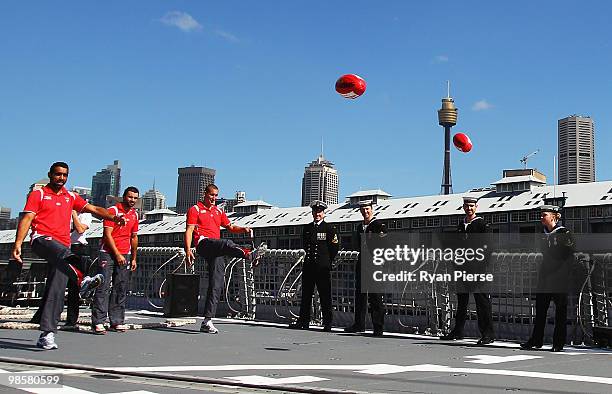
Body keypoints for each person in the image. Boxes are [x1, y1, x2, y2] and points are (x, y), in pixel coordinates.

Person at [11, 162, 125, 350]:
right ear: (50, 174)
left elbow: (95, 210)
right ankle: (84, 279)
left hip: (64, 250)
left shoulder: (70, 196)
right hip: (42, 240)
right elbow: (27, 218)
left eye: (64, 175)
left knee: (57, 288)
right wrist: (17, 243)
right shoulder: (38, 194)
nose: (61, 178)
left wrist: (114, 217)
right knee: (69, 256)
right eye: (57, 174)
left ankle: (47, 334)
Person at [185, 184, 266, 334]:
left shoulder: (218, 211)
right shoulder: (195, 209)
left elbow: (230, 227)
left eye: (216, 195)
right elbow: (189, 230)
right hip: (204, 243)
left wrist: (244, 229)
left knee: (216, 284)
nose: (214, 198)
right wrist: (188, 249)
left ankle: (207, 321)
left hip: (217, 250)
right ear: (205, 194)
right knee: (226, 243)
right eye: (211, 195)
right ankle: (249, 255)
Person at [440, 196, 495, 345]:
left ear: (476, 207)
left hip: (477, 269)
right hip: (462, 269)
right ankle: (458, 331)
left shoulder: (482, 225)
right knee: (462, 302)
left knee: (482, 303)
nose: (469, 208)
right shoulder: (461, 225)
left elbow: (488, 247)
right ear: (463, 207)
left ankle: (487, 334)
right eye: (466, 206)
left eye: (471, 206)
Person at [521, 205, 575, 352]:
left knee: (560, 312)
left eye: (544, 214)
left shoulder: (564, 233)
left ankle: (558, 343)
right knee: (540, 311)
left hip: (559, 278)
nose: (541, 217)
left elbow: (568, 254)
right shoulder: (543, 233)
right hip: (545, 277)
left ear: (553, 216)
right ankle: (536, 340)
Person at [31, 210, 93, 328]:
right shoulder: (62, 212)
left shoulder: (85, 215)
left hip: (76, 248)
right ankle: (43, 317)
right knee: (53, 284)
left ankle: (71, 320)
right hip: (60, 247)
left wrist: (74, 214)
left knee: (74, 287)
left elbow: (80, 229)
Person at [91, 187, 140, 334]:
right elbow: (107, 234)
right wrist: (117, 254)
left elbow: (134, 237)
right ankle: (98, 321)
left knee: (120, 287)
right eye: (130, 197)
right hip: (108, 253)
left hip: (125, 254)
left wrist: (134, 258)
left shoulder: (134, 215)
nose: (132, 200)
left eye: (135, 198)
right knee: (103, 286)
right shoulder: (112, 211)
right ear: (123, 197)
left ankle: (117, 321)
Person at [289, 200, 339, 331]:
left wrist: (327, 262)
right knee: (306, 295)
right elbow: (306, 245)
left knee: (325, 295)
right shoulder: (307, 228)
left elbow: (334, 248)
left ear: (323, 213)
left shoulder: (329, 229)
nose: (317, 214)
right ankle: (303, 321)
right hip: (309, 266)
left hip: (322, 267)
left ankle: (328, 323)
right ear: (312, 213)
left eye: (319, 212)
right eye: (315, 211)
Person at [344, 200, 386, 336]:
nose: (365, 212)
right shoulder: (359, 227)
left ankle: (378, 327)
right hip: (362, 263)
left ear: (372, 209)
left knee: (376, 297)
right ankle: (359, 324)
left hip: (375, 264)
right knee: (360, 296)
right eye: (362, 210)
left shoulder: (379, 225)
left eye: (367, 209)